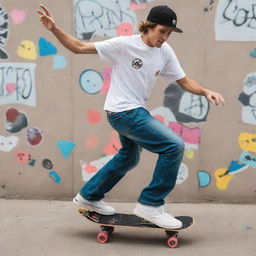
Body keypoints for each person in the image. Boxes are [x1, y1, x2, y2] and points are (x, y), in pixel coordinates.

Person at [37, 4, 225, 229]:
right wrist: (54, 30)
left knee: (129, 157)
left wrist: (206, 91)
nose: (165, 37)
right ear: (148, 27)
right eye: (161, 31)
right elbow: (78, 47)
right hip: (123, 111)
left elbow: (183, 80)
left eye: (169, 33)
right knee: (173, 145)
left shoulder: (164, 51)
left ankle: (89, 195)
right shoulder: (123, 45)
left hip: (133, 111)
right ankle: (150, 204)